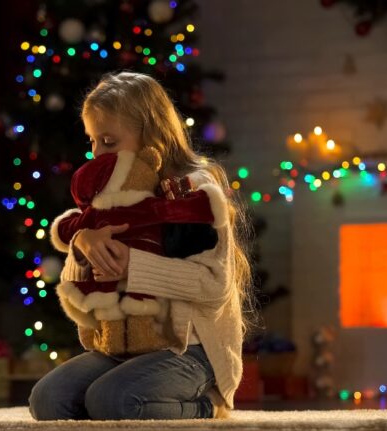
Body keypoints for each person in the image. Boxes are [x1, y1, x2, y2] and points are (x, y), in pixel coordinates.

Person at [29, 71, 252, 420]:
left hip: (190, 350)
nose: (97, 154)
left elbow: (213, 286)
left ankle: (207, 406)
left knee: (113, 400)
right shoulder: (104, 197)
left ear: (151, 136)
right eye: (92, 141)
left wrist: (134, 265)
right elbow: (82, 286)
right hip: (121, 348)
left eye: (109, 141)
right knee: (49, 400)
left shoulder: (193, 191)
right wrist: (82, 244)